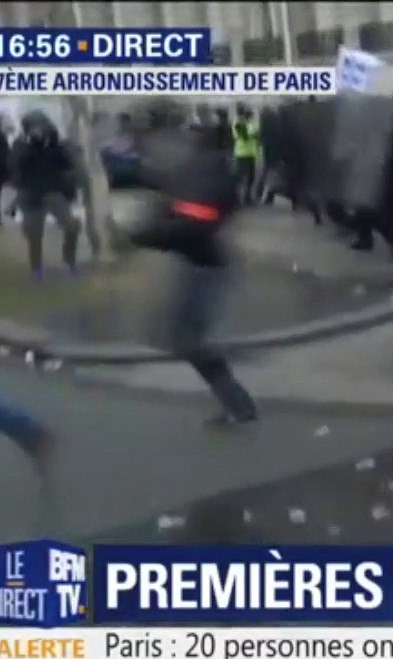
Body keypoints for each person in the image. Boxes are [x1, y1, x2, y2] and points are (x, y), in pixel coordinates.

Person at [125, 106, 259, 428]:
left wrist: (149, 234)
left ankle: (240, 404)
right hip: (200, 262)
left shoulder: (205, 170)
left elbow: (195, 222)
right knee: (180, 336)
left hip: (208, 266)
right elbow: (172, 207)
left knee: (187, 339)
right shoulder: (189, 168)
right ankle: (238, 403)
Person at [11, 112, 81, 279]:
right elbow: (16, 165)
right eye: (35, 127)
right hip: (30, 194)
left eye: (42, 126)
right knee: (34, 234)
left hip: (53, 192)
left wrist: (65, 148)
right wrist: (31, 144)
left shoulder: (54, 144)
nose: (39, 130)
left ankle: (69, 261)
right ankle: (37, 268)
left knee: (72, 227)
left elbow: (66, 166)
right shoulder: (20, 144)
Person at [231, 104, 260, 205]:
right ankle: (239, 198)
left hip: (250, 153)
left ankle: (247, 198)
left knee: (251, 177)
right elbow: (245, 136)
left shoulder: (250, 122)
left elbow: (256, 132)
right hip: (242, 153)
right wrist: (251, 131)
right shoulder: (238, 123)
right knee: (241, 177)